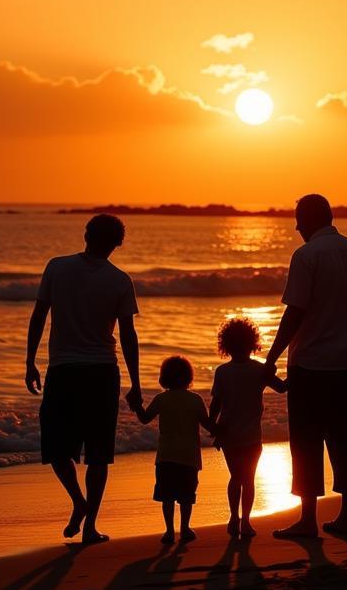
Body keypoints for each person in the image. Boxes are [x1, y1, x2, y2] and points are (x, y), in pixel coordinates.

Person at [262, 194, 347, 539]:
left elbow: (294, 312)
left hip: (311, 363)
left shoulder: (306, 255)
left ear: (308, 219)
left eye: (298, 220)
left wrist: (271, 358)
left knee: (306, 440)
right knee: (344, 436)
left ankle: (308, 520)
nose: (296, 227)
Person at [25, 213, 142, 545]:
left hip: (63, 369)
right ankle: (88, 519)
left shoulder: (57, 267)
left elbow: (38, 317)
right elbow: (128, 336)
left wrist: (30, 362)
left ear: (86, 234)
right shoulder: (120, 280)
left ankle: (80, 504)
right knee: (98, 453)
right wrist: (135, 382)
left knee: (57, 448)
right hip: (103, 372)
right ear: (117, 244)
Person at [208, 316, 286, 539]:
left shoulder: (222, 372)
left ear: (226, 346)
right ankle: (246, 522)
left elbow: (216, 404)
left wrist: (213, 428)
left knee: (235, 478)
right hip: (252, 436)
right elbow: (281, 388)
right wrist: (296, 372)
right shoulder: (259, 370)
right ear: (253, 343)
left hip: (229, 434)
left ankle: (234, 518)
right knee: (249, 479)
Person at [133, 355, 216, 545]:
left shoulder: (161, 399)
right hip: (189, 458)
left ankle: (169, 531)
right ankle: (185, 528)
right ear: (189, 377)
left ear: (164, 378)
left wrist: (136, 406)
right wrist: (223, 430)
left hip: (166, 456)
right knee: (186, 496)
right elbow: (208, 425)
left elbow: (145, 418)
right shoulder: (195, 400)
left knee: (167, 496)